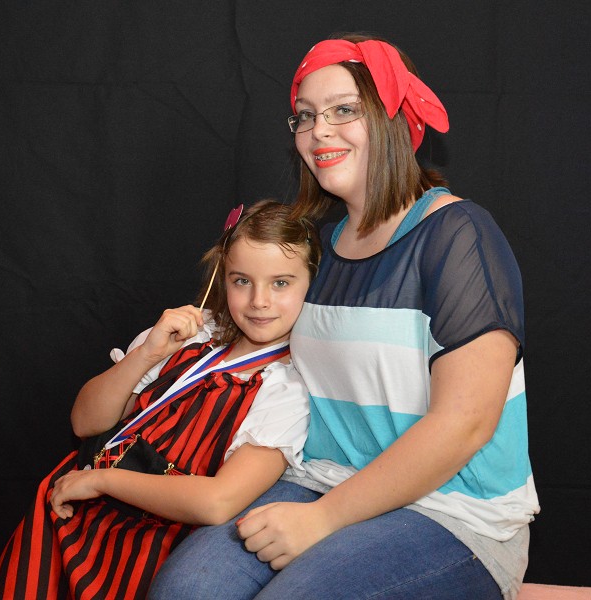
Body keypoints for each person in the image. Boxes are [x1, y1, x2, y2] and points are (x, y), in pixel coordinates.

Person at [148, 34, 540, 600]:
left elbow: (465, 424)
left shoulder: (458, 236)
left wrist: (324, 519)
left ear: (392, 119)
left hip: (451, 512)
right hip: (317, 481)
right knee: (184, 592)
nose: (319, 131)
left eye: (343, 110)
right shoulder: (319, 247)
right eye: (306, 116)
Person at [0, 200, 320, 600]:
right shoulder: (192, 336)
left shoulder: (287, 388)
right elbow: (85, 422)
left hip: (152, 541)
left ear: (313, 284)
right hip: (78, 518)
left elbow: (218, 502)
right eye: (242, 281)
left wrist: (102, 480)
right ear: (222, 277)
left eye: (281, 283)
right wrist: (146, 354)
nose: (259, 301)